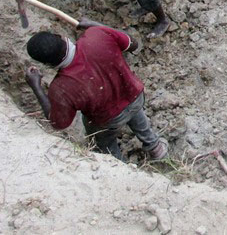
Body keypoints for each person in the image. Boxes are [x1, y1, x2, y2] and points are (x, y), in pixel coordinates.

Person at [23, 20, 168, 161]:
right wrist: (99, 27)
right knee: (136, 113)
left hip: (107, 119)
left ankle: (119, 165)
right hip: (134, 95)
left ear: (46, 64)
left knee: (104, 142)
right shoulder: (97, 35)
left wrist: (36, 87)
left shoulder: (61, 88)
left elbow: (58, 123)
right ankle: (155, 147)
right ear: (60, 36)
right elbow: (133, 44)